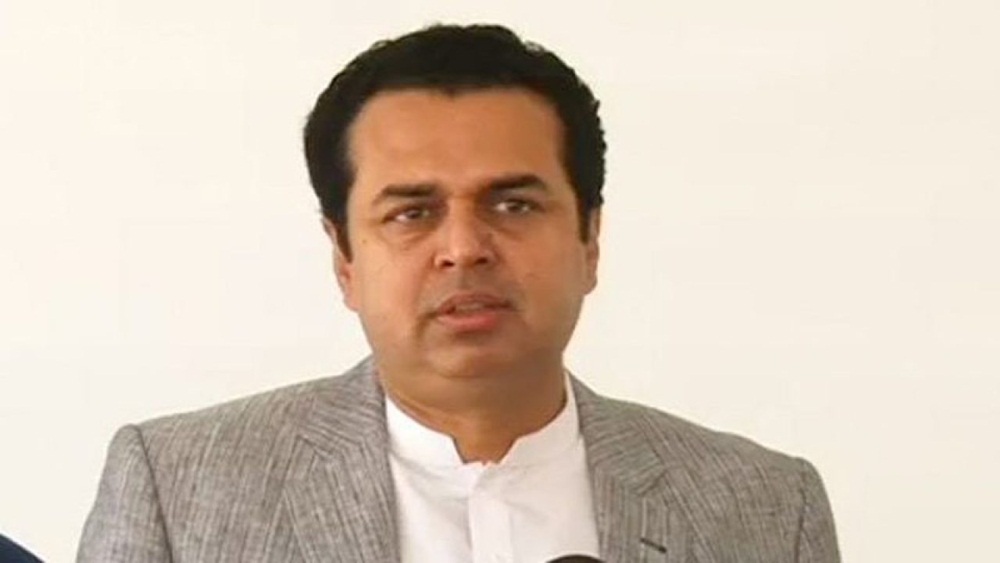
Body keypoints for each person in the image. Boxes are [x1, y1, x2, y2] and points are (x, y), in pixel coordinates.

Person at [78, 24, 839, 562]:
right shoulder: (180, 490)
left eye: (514, 205)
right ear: (344, 258)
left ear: (590, 239)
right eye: (412, 213)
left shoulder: (765, 508)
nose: (464, 247)